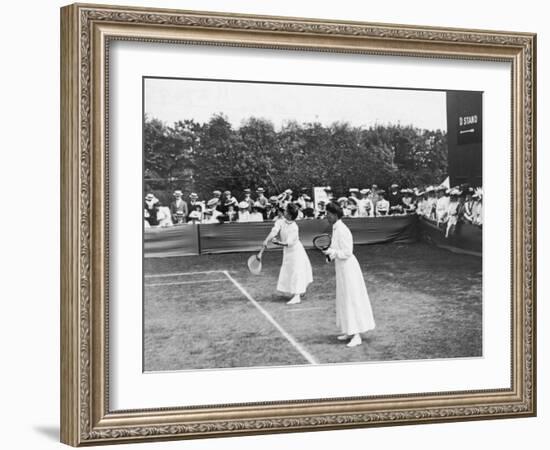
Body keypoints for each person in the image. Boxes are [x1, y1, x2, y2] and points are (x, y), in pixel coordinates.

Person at [322, 202, 376, 347]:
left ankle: (357, 335)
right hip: (341, 268)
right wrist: (329, 254)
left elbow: (347, 252)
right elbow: (335, 249)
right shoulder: (335, 228)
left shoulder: (343, 229)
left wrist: (332, 252)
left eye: (328, 213)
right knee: (344, 299)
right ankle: (349, 331)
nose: (326, 216)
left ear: (334, 215)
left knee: (352, 299)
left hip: (349, 269)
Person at [263, 203, 313, 305]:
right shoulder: (280, 221)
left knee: (296, 271)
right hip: (288, 252)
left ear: (290, 215)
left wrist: (278, 243)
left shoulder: (294, 227)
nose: (283, 211)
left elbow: (289, 243)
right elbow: (274, 231)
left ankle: (297, 296)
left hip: (296, 252)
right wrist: (266, 240)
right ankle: (299, 291)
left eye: (286, 210)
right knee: (289, 271)